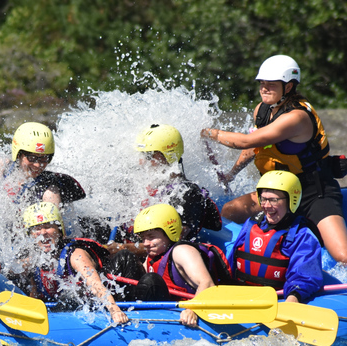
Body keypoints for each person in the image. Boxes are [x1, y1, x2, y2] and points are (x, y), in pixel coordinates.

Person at [201, 54, 347, 263]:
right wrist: (231, 175)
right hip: (277, 192)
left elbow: (245, 142)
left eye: (271, 84)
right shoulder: (262, 110)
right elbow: (256, 146)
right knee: (230, 211)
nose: (264, 88)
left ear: (288, 87)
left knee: (342, 255)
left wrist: (210, 133)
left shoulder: (297, 117)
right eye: (262, 83)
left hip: (313, 192)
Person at [18, 202, 130, 324]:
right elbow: (34, 293)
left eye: (48, 226)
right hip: (63, 308)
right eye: (37, 228)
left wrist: (114, 310)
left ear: (60, 230)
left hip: (108, 301)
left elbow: (95, 285)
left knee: (68, 299)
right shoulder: (33, 260)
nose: (43, 232)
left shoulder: (76, 255)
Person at [226, 171, 323, 303]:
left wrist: (292, 300)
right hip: (241, 295)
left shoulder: (302, 235)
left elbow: (304, 276)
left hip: (277, 300)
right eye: (264, 199)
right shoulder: (251, 224)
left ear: (291, 200)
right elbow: (231, 264)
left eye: (273, 200)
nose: (266, 205)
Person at [133, 204, 221, 327]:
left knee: (150, 280)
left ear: (169, 232)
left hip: (185, 312)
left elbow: (207, 283)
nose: (145, 244)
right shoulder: (153, 255)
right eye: (143, 238)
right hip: (168, 306)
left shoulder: (182, 251)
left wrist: (192, 310)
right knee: (126, 258)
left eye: (151, 237)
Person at [134, 124, 223, 241]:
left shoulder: (187, 195)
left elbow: (170, 243)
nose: (143, 162)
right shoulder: (145, 187)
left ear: (169, 156)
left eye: (149, 155)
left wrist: (121, 248)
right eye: (142, 155)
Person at [0, 122, 86, 208]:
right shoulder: (3, 166)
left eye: (44, 158)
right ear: (18, 155)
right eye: (31, 158)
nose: (37, 165)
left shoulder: (50, 192)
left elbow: (51, 228)